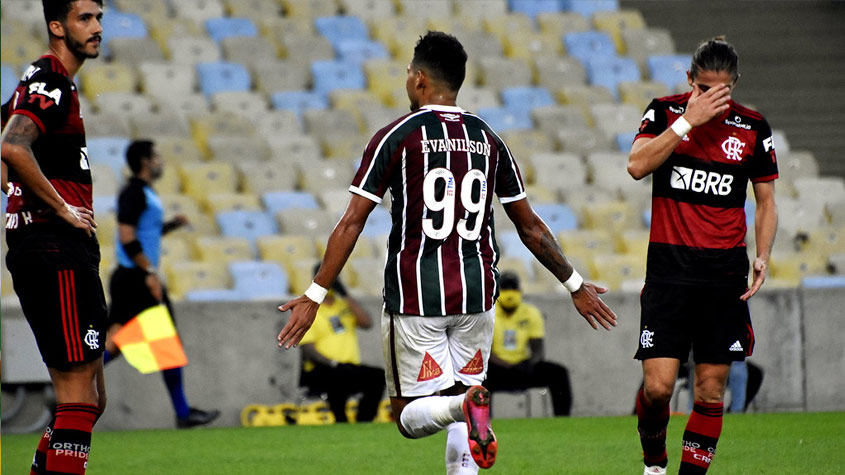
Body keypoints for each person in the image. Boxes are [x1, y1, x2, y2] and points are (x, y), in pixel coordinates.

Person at [277, 31, 617, 474]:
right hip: (477, 298)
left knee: (406, 415)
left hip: (416, 297)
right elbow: (530, 226)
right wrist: (574, 284)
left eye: (406, 74)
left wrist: (316, 295)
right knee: (466, 401)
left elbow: (352, 221)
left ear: (419, 80)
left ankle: (461, 405)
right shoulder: (489, 138)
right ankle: (466, 405)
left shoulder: (398, 135)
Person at [627, 37, 778, 475]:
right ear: (689, 79)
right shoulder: (663, 112)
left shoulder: (752, 127)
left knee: (710, 391)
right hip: (669, 272)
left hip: (723, 274)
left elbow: (766, 201)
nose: (713, 99)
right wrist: (687, 123)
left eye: (722, 90)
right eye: (704, 89)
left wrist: (762, 255)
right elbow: (637, 165)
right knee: (657, 390)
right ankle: (654, 463)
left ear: (734, 84)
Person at [1, 2, 106, 474]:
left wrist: (11, 181)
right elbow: (12, 143)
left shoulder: (44, 82)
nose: (97, 27)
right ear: (56, 26)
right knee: (77, 395)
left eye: (100, 17)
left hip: (61, 249)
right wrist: (60, 207)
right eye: (85, 18)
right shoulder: (52, 79)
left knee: (91, 399)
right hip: (52, 247)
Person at [104, 139, 220, 429]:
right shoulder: (134, 193)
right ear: (145, 161)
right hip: (136, 278)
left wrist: (171, 225)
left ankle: (66, 389)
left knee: (117, 341)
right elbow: (127, 237)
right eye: (156, 156)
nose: (160, 161)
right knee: (165, 342)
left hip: (132, 277)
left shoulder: (144, 193)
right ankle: (183, 413)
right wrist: (150, 272)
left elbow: (146, 233)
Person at [298, 267, 386, 423]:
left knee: (378, 376)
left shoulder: (343, 305)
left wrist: (345, 294)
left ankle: (364, 421)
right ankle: (341, 421)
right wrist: (334, 363)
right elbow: (308, 351)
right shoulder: (307, 308)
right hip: (323, 368)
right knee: (337, 376)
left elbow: (367, 323)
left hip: (349, 367)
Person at [484, 271, 573, 416]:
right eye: (505, 288)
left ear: (520, 291)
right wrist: (505, 365)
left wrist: (527, 364)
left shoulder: (531, 312)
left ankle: (563, 420)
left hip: (523, 367)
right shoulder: (488, 313)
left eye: (513, 288)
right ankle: (483, 424)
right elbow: (484, 351)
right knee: (478, 380)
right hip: (497, 369)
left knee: (558, 373)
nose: (510, 293)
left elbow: (537, 348)